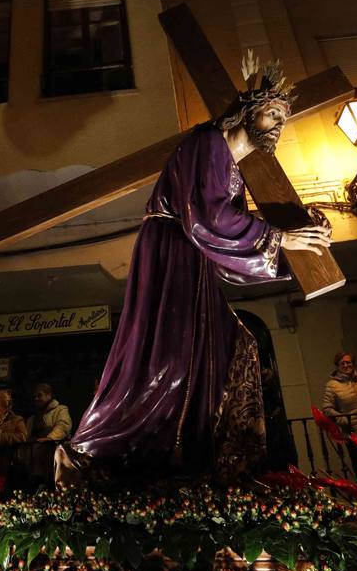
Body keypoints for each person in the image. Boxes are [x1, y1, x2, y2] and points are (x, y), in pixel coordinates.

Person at [58, 56, 331, 484]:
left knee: (222, 346)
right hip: (172, 251)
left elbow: (229, 243)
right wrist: (280, 238)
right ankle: (99, 448)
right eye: (273, 112)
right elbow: (211, 220)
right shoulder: (208, 143)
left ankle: (198, 454)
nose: (279, 123)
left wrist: (300, 233)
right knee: (167, 355)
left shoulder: (231, 165)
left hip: (192, 255)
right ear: (247, 110)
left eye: (284, 117)